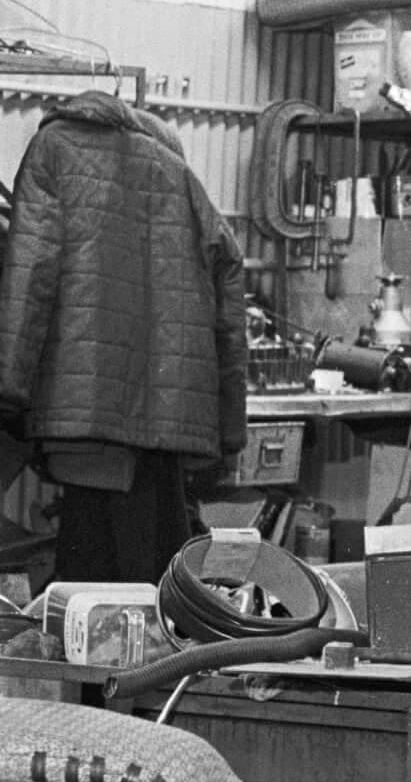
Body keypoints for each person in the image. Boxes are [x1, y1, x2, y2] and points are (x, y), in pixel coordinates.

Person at [0, 91, 246, 583]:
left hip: (85, 413)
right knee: (158, 583)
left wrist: (10, 390)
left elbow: (29, 276)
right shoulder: (177, 172)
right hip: (168, 428)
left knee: (91, 590)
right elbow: (230, 279)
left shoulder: (52, 148)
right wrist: (229, 432)